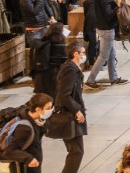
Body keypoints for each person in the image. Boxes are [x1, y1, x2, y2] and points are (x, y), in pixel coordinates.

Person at [85, 0, 128, 89]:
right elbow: (109, 15)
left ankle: (113, 78)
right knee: (104, 56)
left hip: (104, 29)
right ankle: (90, 80)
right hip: (107, 30)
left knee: (112, 54)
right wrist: (118, 6)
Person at [53, 42, 88, 173]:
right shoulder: (70, 69)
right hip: (69, 115)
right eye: (83, 53)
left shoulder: (72, 68)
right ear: (76, 54)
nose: (85, 55)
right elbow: (64, 95)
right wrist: (77, 111)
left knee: (76, 151)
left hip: (71, 113)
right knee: (76, 151)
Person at [3, 92, 54, 173]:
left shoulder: (39, 121)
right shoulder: (25, 128)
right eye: (48, 108)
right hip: (23, 168)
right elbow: (10, 151)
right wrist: (29, 159)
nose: (51, 110)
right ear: (38, 109)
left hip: (33, 166)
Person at [30, 22, 67, 97]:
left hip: (40, 74)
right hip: (53, 75)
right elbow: (62, 61)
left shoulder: (41, 42)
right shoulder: (59, 44)